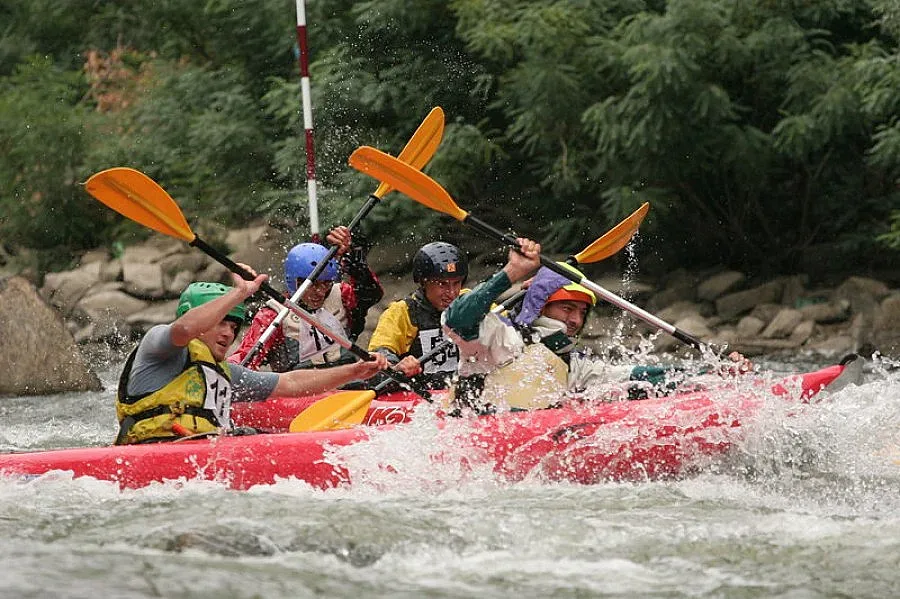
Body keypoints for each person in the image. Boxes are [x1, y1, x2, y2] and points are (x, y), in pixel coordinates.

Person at [442, 238, 752, 413]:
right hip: (472, 433)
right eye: (567, 308)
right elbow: (457, 319)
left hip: (524, 438)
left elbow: (640, 378)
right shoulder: (501, 337)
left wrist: (713, 372)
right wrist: (512, 272)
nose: (575, 320)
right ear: (540, 307)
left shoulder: (572, 364)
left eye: (581, 312)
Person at [115, 268, 389, 444]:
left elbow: (291, 383)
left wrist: (354, 371)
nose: (229, 333)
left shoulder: (225, 373)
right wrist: (240, 293)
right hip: (152, 449)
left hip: (198, 454)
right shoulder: (158, 346)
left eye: (234, 326)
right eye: (222, 322)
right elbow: (185, 329)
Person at [230, 226, 383, 371]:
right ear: (293, 281)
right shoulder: (273, 315)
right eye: (312, 284)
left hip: (349, 383)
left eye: (325, 283)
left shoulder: (342, 295)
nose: (320, 292)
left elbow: (371, 293)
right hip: (301, 388)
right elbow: (245, 359)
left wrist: (351, 256)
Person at [366, 241, 467, 390]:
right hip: (419, 394)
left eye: (456, 283)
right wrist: (396, 367)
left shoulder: (471, 302)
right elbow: (377, 361)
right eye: (442, 284)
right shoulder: (402, 312)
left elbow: (504, 323)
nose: (451, 293)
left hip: (465, 391)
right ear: (423, 282)